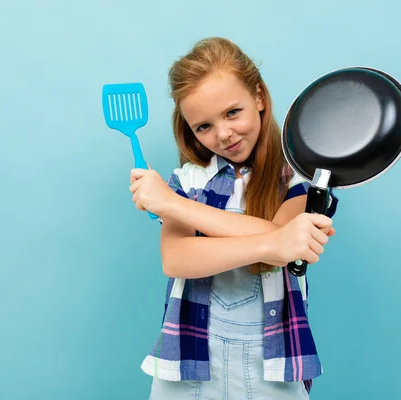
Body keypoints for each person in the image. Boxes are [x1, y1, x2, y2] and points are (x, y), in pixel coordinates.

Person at [128, 37, 339, 400]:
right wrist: (273, 242)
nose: (223, 135)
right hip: (190, 364)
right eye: (203, 126)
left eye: (232, 113)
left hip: (273, 366)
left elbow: (286, 239)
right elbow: (176, 258)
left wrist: (173, 205)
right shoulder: (190, 179)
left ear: (258, 97)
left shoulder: (302, 182)